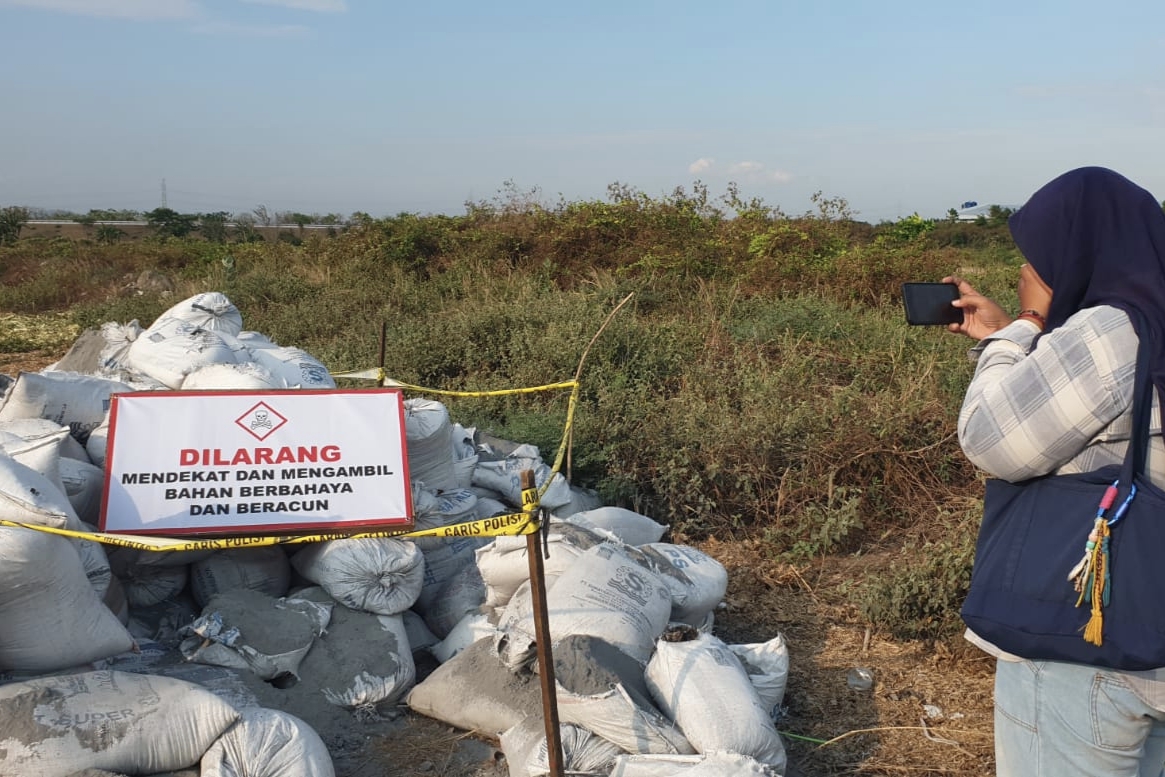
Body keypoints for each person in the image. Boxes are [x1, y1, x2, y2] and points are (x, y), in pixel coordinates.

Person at [945, 166, 1165, 777]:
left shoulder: (1112, 328)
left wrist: (1024, 326)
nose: (1029, 267)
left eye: (1038, 253)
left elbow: (991, 440)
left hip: (1089, 650)